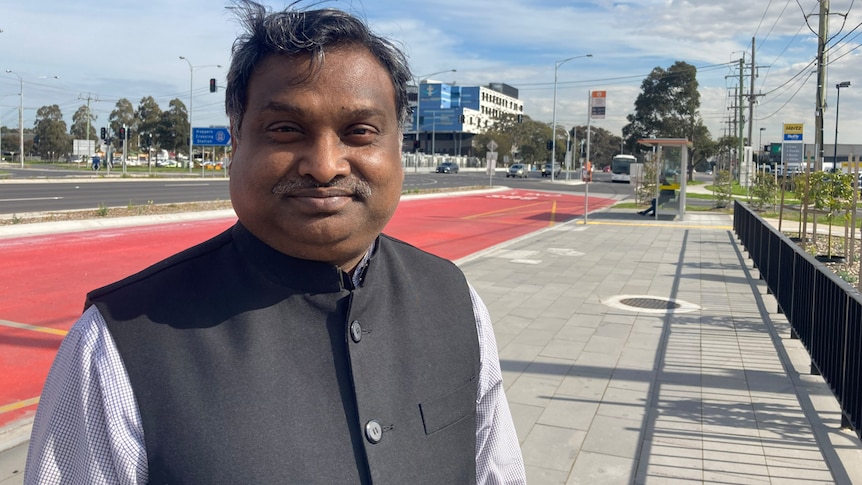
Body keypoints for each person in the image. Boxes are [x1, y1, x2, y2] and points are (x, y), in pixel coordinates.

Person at [25, 2, 526, 484]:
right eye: (285, 129)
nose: (325, 165)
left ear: (397, 147)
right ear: (236, 143)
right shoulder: (117, 345)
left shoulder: (455, 300)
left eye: (359, 131)